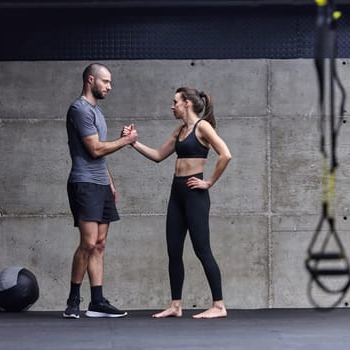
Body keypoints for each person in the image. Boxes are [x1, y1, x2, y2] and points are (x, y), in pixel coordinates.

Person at [122, 87, 231, 319]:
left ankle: (219, 305)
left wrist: (209, 182)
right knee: (173, 251)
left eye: (175, 102)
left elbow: (226, 154)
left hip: (195, 195)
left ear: (187, 104)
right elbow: (158, 155)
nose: (172, 106)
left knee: (202, 250)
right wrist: (132, 143)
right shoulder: (180, 130)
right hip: (177, 194)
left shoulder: (203, 127)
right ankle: (175, 305)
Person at [63, 63, 138, 319]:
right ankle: (73, 300)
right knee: (88, 242)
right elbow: (95, 149)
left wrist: (111, 182)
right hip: (84, 183)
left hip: (101, 184)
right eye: (105, 82)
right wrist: (126, 141)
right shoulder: (79, 109)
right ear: (90, 80)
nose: (109, 87)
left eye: (110, 83)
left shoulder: (97, 111)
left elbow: (101, 154)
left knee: (101, 244)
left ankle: (97, 302)